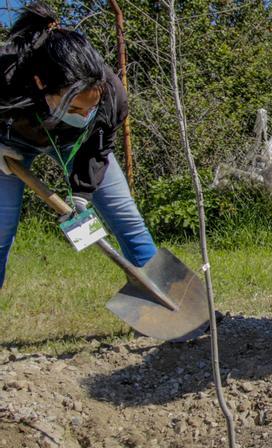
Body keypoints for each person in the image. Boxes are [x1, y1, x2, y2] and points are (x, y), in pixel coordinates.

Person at [0, 2, 156, 288]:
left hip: (77, 146)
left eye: (90, 108)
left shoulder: (111, 96)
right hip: (10, 144)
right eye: (75, 108)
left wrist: (81, 194)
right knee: (0, 230)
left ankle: (164, 298)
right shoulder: (8, 70)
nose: (85, 115)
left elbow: (98, 149)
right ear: (40, 83)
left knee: (127, 218)